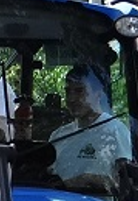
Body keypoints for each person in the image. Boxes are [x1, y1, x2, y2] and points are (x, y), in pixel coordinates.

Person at [46, 64, 131, 192]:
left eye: (79, 91)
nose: (71, 99)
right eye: (68, 91)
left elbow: (127, 185)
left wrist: (90, 180)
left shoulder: (116, 131)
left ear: (99, 93)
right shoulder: (58, 136)